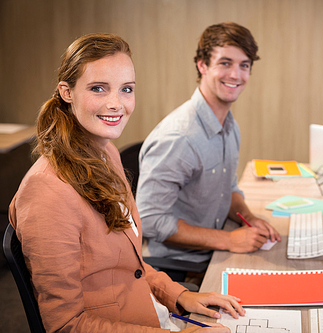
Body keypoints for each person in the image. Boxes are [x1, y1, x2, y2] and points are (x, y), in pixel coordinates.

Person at [8, 32, 244, 332]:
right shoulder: (47, 191)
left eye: (126, 89)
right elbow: (65, 324)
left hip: (150, 309)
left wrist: (181, 295)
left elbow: (129, 264)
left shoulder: (106, 153)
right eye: (98, 88)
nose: (116, 103)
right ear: (66, 92)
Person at [136, 22, 281, 281]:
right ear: (202, 65)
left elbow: (228, 189)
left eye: (244, 65)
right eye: (225, 63)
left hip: (213, 251)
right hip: (179, 267)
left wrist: (247, 218)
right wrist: (229, 239)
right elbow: (150, 220)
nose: (236, 74)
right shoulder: (179, 137)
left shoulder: (228, 125)